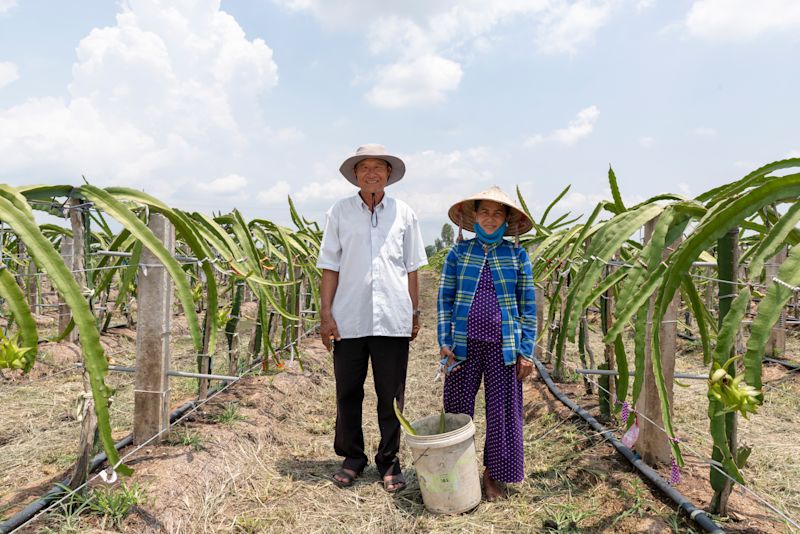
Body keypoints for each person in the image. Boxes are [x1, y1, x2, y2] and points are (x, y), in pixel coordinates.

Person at [317, 144, 427, 493]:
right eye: (364, 167)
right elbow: (330, 266)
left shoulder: (404, 214)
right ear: (355, 175)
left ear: (389, 175)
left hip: (392, 317)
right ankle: (352, 457)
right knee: (347, 390)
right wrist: (326, 314)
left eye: (379, 167)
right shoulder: (340, 212)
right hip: (348, 317)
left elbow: (412, 268)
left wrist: (414, 310)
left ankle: (389, 459)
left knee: (390, 395)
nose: (372, 173)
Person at [437, 185, 536, 501]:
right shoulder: (459, 254)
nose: (490, 219)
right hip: (462, 346)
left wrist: (526, 351)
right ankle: (456, 473)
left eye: (498, 213)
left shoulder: (517, 255)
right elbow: (445, 300)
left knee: (502, 414)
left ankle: (493, 476)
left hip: (503, 348)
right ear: (474, 216)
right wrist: (444, 341)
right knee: (457, 411)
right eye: (484, 212)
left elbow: (528, 306)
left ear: (507, 221)